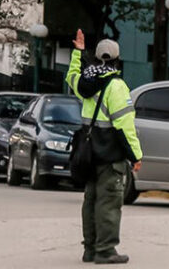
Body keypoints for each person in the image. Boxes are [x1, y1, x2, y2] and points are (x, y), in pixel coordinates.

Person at [66, 29, 142, 265]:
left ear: (97, 57)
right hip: (110, 156)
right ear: (118, 59)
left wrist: (78, 53)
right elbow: (124, 126)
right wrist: (136, 156)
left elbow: (71, 77)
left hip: (88, 154)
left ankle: (90, 249)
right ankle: (106, 250)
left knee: (91, 200)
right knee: (108, 203)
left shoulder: (87, 82)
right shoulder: (116, 86)